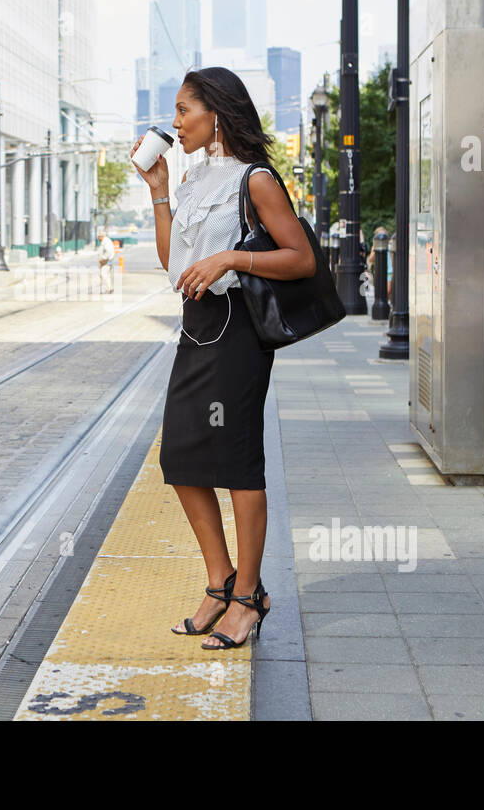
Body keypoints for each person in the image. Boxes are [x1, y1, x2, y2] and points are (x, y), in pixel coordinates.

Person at [131, 66, 316, 650]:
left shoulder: (254, 179)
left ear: (216, 113)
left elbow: (301, 258)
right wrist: (159, 191)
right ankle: (220, 581)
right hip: (198, 325)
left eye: (185, 110)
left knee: (236, 461)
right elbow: (172, 262)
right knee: (182, 455)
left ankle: (249, 598)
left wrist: (234, 259)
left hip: (238, 333)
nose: (176, 122)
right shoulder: (194, 180)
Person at [96, 228, 115, 293]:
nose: (98, 239)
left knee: (103, 274)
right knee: (107, 275)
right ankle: (109, 288)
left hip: (106, 261)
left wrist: (103, 258)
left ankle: (108, 288)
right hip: (107, 261)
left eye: (98, 237)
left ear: (101, 236)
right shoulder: (105, 241)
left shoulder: (105, 241)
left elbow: (108, 251)